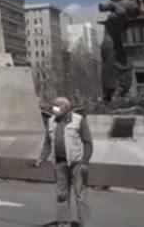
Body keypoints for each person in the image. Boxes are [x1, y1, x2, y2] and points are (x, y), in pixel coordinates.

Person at [35, 96, 93, 227]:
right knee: (61, 195)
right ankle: (63, 224)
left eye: (57, 105)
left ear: (66, 108)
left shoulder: (79, 120)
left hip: (76, 164)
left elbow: (88, 143)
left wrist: (85, 162)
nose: (53, 108)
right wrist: (41, 158)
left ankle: (86, 224)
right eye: (53, 105)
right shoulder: (51, 121)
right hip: (59, 164)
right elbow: (48, 143)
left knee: (81, 196)